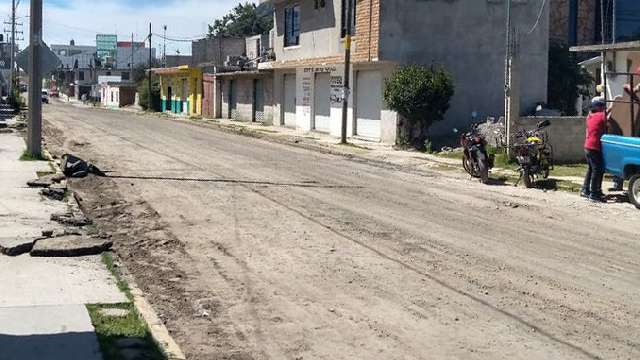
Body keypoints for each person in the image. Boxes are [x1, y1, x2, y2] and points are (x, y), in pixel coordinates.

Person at [582, 97, 608, 202]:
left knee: (591, 169)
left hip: (588, 146)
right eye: (602, 105)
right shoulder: (601, 116)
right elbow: (607, 117)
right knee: (597, 170)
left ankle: (585, 190)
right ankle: (593, 194)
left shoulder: (590, 116)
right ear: (597, 107)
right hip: (594, 147)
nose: (603, 107)